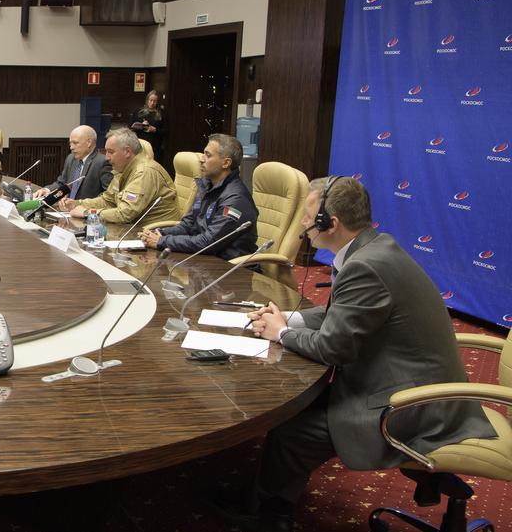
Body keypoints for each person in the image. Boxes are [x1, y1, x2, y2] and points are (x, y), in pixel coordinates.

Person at [216, 176, 496, 532]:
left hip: (417, 405)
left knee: (294, 430)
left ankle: (268, 514)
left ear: (330, 224)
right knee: (297, 407)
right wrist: (290, 317)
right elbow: (344, 313)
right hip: (413, 379)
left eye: (307, 216)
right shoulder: (374, 247)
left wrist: (282, 333)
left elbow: (334, 348)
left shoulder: (365, 266)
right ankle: (271, 501)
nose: (302, 223)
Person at [140, 134, 258, 260]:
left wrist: (162, 241)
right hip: (204, 260)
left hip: (229, 268)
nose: (201, 159)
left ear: (226, 163)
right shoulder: (207, 186)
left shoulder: (236, 199)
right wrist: (159, 234)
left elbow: (209, 242)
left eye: (208, 155)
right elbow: (187, 225)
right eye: (203, 153)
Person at [68, 128, 180, 229]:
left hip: (155, 233)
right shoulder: (122, 169)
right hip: (132, 229)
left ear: (127, 151)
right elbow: (108, 200)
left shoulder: (144, 172)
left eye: (111, 152)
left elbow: (125, 214)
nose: (106, 157)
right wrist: (77, 203)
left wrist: (88, 213)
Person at [33, 125, 112, 202]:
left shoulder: (102, 162)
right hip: (66, 211)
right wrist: (47, 190)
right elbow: (62, 183)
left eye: (75, 143)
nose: (71, 147)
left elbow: (108, 196)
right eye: (70, 143)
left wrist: (83, 205)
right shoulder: (71, 159)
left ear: (89, 142)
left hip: (86, 212)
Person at [131, 89, 167, 164]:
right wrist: (141, 125)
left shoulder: (162, 113)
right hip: (141, 143)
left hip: (155, 146)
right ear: (147, 100)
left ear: (158, 102)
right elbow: (130, 126)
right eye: (150, 100)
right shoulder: (139, 112)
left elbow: (166, 131)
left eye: (155, 101)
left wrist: (155, 130)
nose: (152, 103)